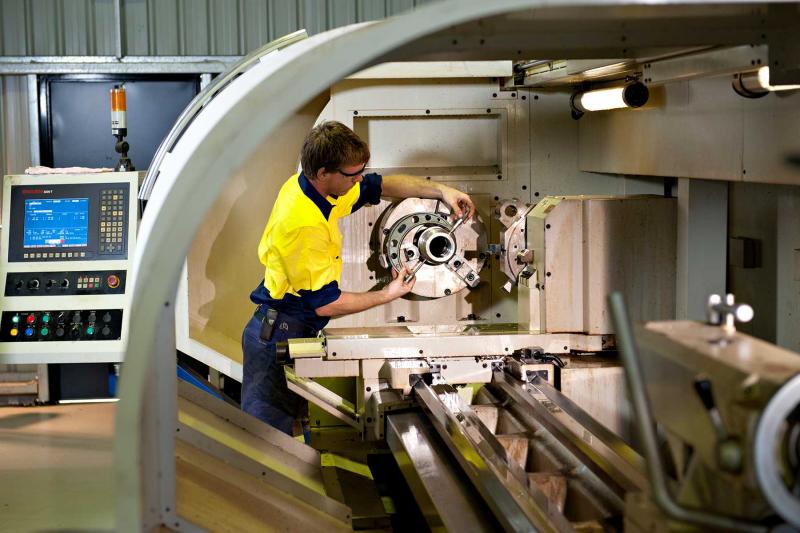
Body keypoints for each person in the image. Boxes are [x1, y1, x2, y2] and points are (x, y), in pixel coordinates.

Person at [241, 120, 475, 436]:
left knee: (291, 434)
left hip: (287, 326)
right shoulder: (303, 225)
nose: (359, 180)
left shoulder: (312, 187)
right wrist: (388, 293)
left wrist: (442, 191)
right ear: (323, 173)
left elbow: (380, 186)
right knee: (269, 445)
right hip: (277, 335)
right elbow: (326, 304)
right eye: (352, 175)